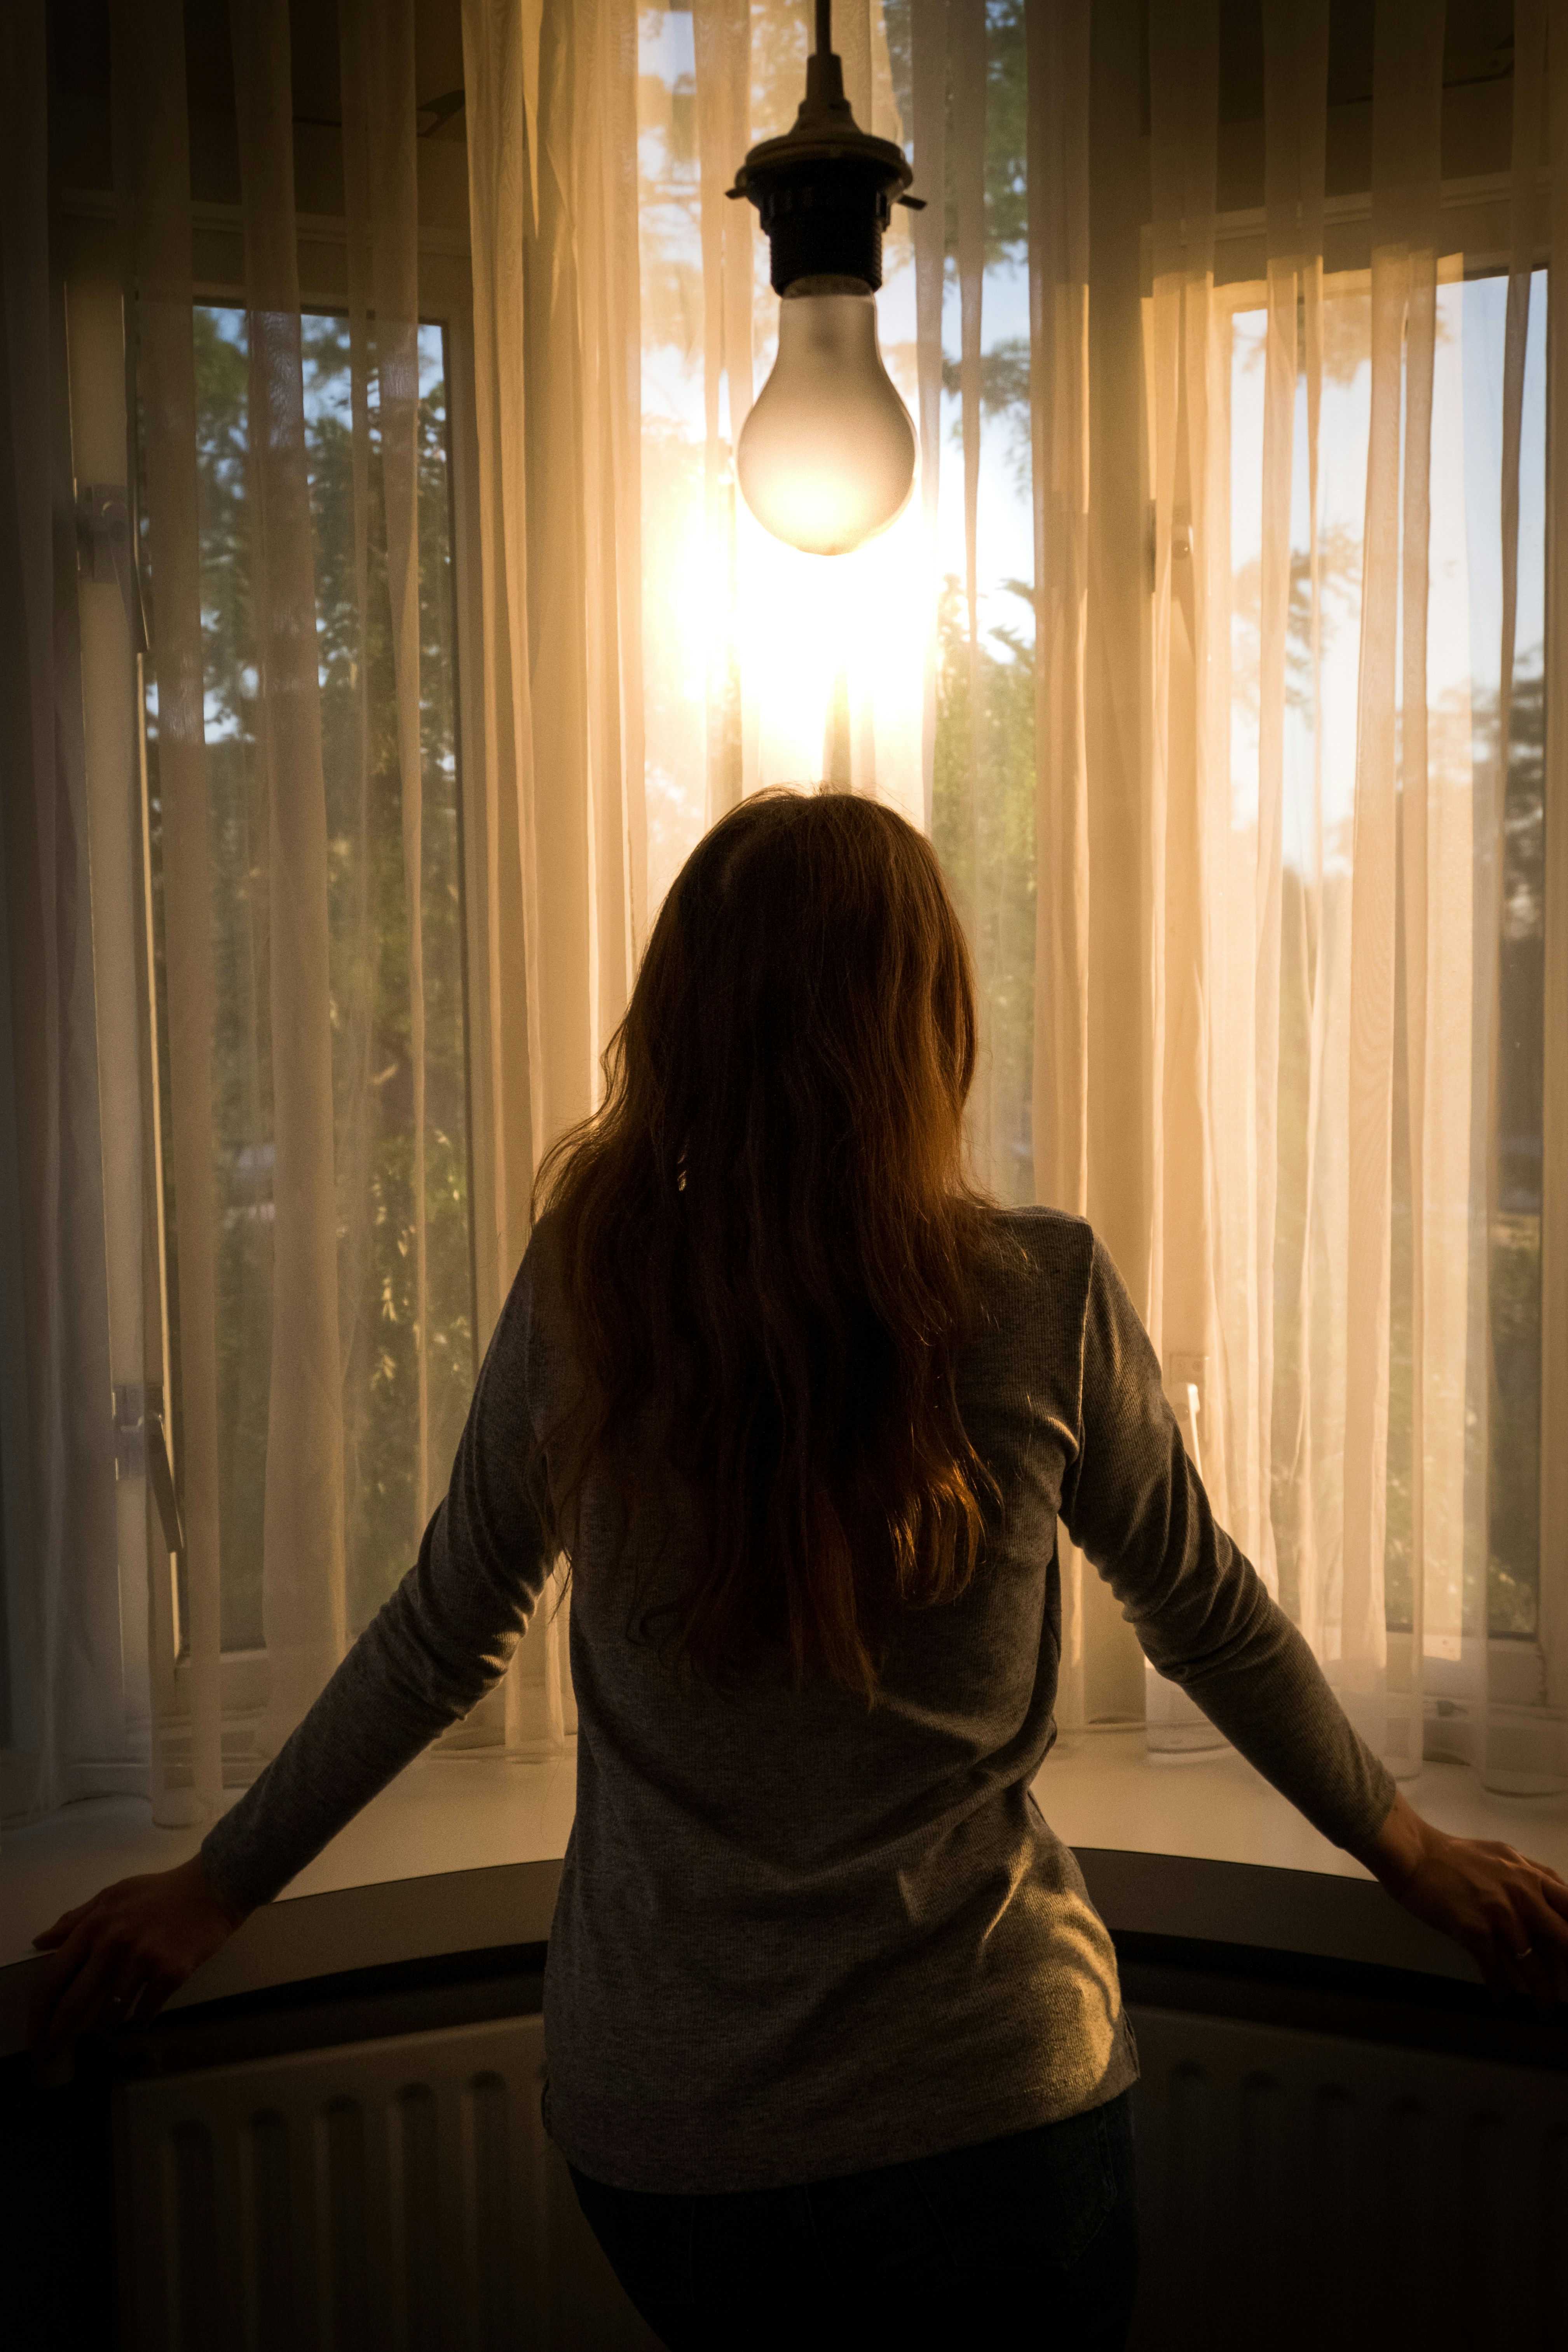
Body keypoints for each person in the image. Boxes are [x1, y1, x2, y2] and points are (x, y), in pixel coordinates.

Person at [27, 788, 1568, 2349]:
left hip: (672, 2137)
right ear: (929, 1024)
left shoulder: (587, 1288)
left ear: (683, 1024)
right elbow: (1206, 1615)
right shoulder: (1035, 1293)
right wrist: (1410, 1854)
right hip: (988, 2108)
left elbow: (442, 1633)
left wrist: (218, 1885)